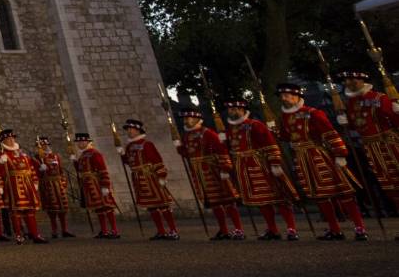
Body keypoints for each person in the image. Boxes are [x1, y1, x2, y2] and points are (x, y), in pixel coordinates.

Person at [276, 83, 367, 240]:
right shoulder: (284, 116)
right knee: (320, 196)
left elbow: (330, 133)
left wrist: (340, 153)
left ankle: (359, 228)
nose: (284, 99)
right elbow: (286, 136)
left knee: (343, 191)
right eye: (282, 96)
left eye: (287, 95)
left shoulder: (313, 113)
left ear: (297, 96)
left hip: (318, 155)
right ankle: (334, 229)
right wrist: (276, 131)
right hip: (301, 158)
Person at [337, 69, 399, 240]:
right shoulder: (349, 104)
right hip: (370, 147)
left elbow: (394, 121)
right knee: (389, 186)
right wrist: (346, 124)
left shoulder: (378, 98)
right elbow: (357, 126)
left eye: (352, 80)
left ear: (362, 81)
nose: (348, 84)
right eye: (346, 81)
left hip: (388, 144)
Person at [225, 99, 298, 241]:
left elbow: (270, 143)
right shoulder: (231, 129)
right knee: (261, 200)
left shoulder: (254, 125)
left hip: (261, 164)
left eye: (235, 109)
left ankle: (291, 228)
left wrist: (275, 162)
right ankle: (272, 229)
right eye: (230, 110)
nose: (232, 112)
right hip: (244, 167)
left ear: (242, 110)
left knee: (279, 196)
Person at [174, 108, 243, 240]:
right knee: (214, 202)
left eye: (189, 118)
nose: (186, 121)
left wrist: (225, 168)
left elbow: (221, 150)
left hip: (214, 170)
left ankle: (238, 229)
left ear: (196, 119)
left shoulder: (208, 133)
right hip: (200, 172)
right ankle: (223, 230)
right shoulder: (187, 136)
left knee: (228, 200)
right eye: (185, 119)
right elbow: (188, 154)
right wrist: (179, 147)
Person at [119, 118, 178, 240]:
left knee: (163, 204)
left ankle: (173, 230)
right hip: (138, 178)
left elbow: (157, 160)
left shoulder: (147, 144)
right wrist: (122, 155)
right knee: (151, 206)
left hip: (151, 177)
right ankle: (161, 231)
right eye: (128, 130)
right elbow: (129, 162)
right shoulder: (130, 146)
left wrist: (161, 176)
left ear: (138, 130)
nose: (129, 132)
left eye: (131, 129)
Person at [0, 130, 46, 244]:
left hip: (27, 185)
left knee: (30, 211)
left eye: (12, 138)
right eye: (8, 139)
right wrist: (0, 183)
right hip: (13, 186)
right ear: (4, 141)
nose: (11, 140)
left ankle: (35, 234)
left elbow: (31, 168)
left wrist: (35, 181)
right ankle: (19, 234)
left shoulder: (22, 153)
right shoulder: (3, 155)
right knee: (16, 212)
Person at [70, 132, 119, 239]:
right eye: (78, 142)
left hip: (97, 182)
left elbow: (103, 169)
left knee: (106, 206)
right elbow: (80, 169)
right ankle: (104, 230)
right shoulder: (83, 155)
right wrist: (74, 161)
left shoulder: (94, 153)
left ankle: (114, 230)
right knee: (99, 208)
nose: (80, 144)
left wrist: (105, 185)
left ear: (88, 142)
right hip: (88, 184)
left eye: (82, 142)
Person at [35, 136, 72, 239]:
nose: (45, 147)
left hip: (58, 183)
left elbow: (60, 170)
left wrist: (63, 182)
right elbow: (35, 172)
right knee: (52, 208)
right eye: (42, 145)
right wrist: (40, 170)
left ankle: (64, 229)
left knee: (62, 208)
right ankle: (54, 230)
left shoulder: (55, 156)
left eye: (46, 145)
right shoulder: (37, 158)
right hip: (48, 184)